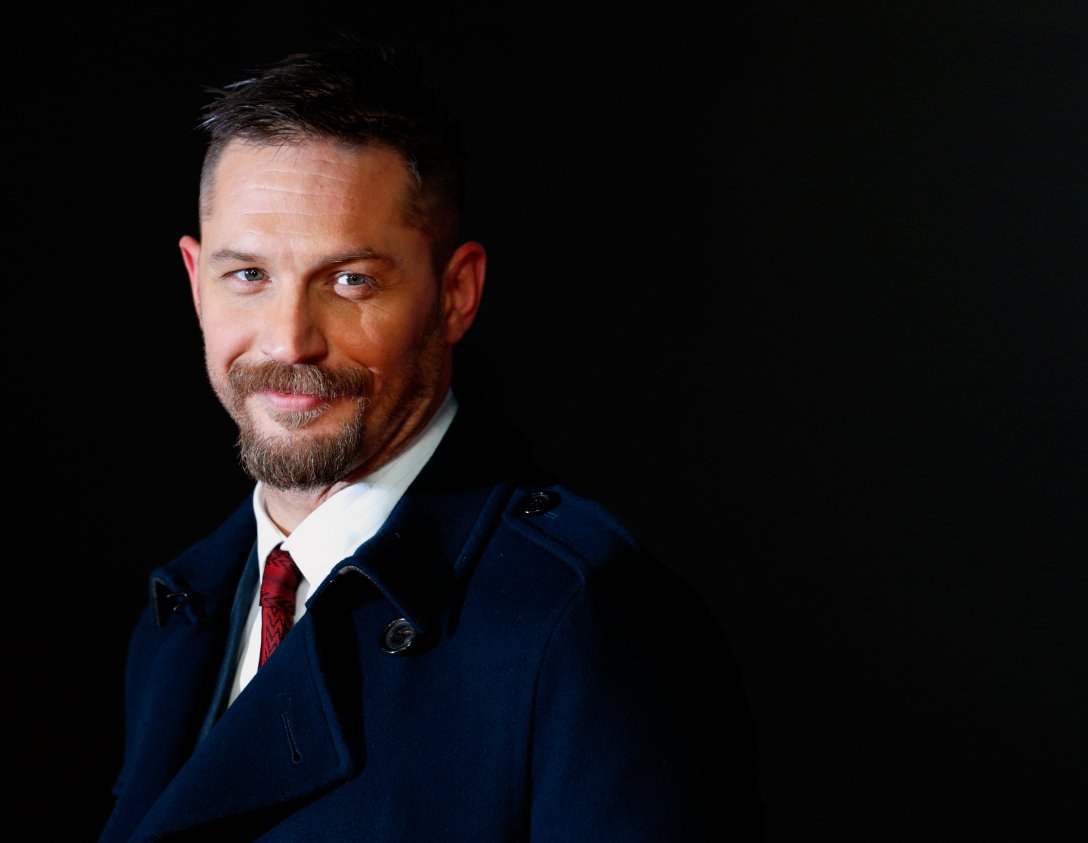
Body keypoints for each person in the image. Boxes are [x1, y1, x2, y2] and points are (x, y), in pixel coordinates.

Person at [99, 34, 764, 843]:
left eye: (350, 281)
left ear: (456, 293)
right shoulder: (181, 617)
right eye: (249, 276)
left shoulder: (583, 626)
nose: (287, 340)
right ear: (195, 282)